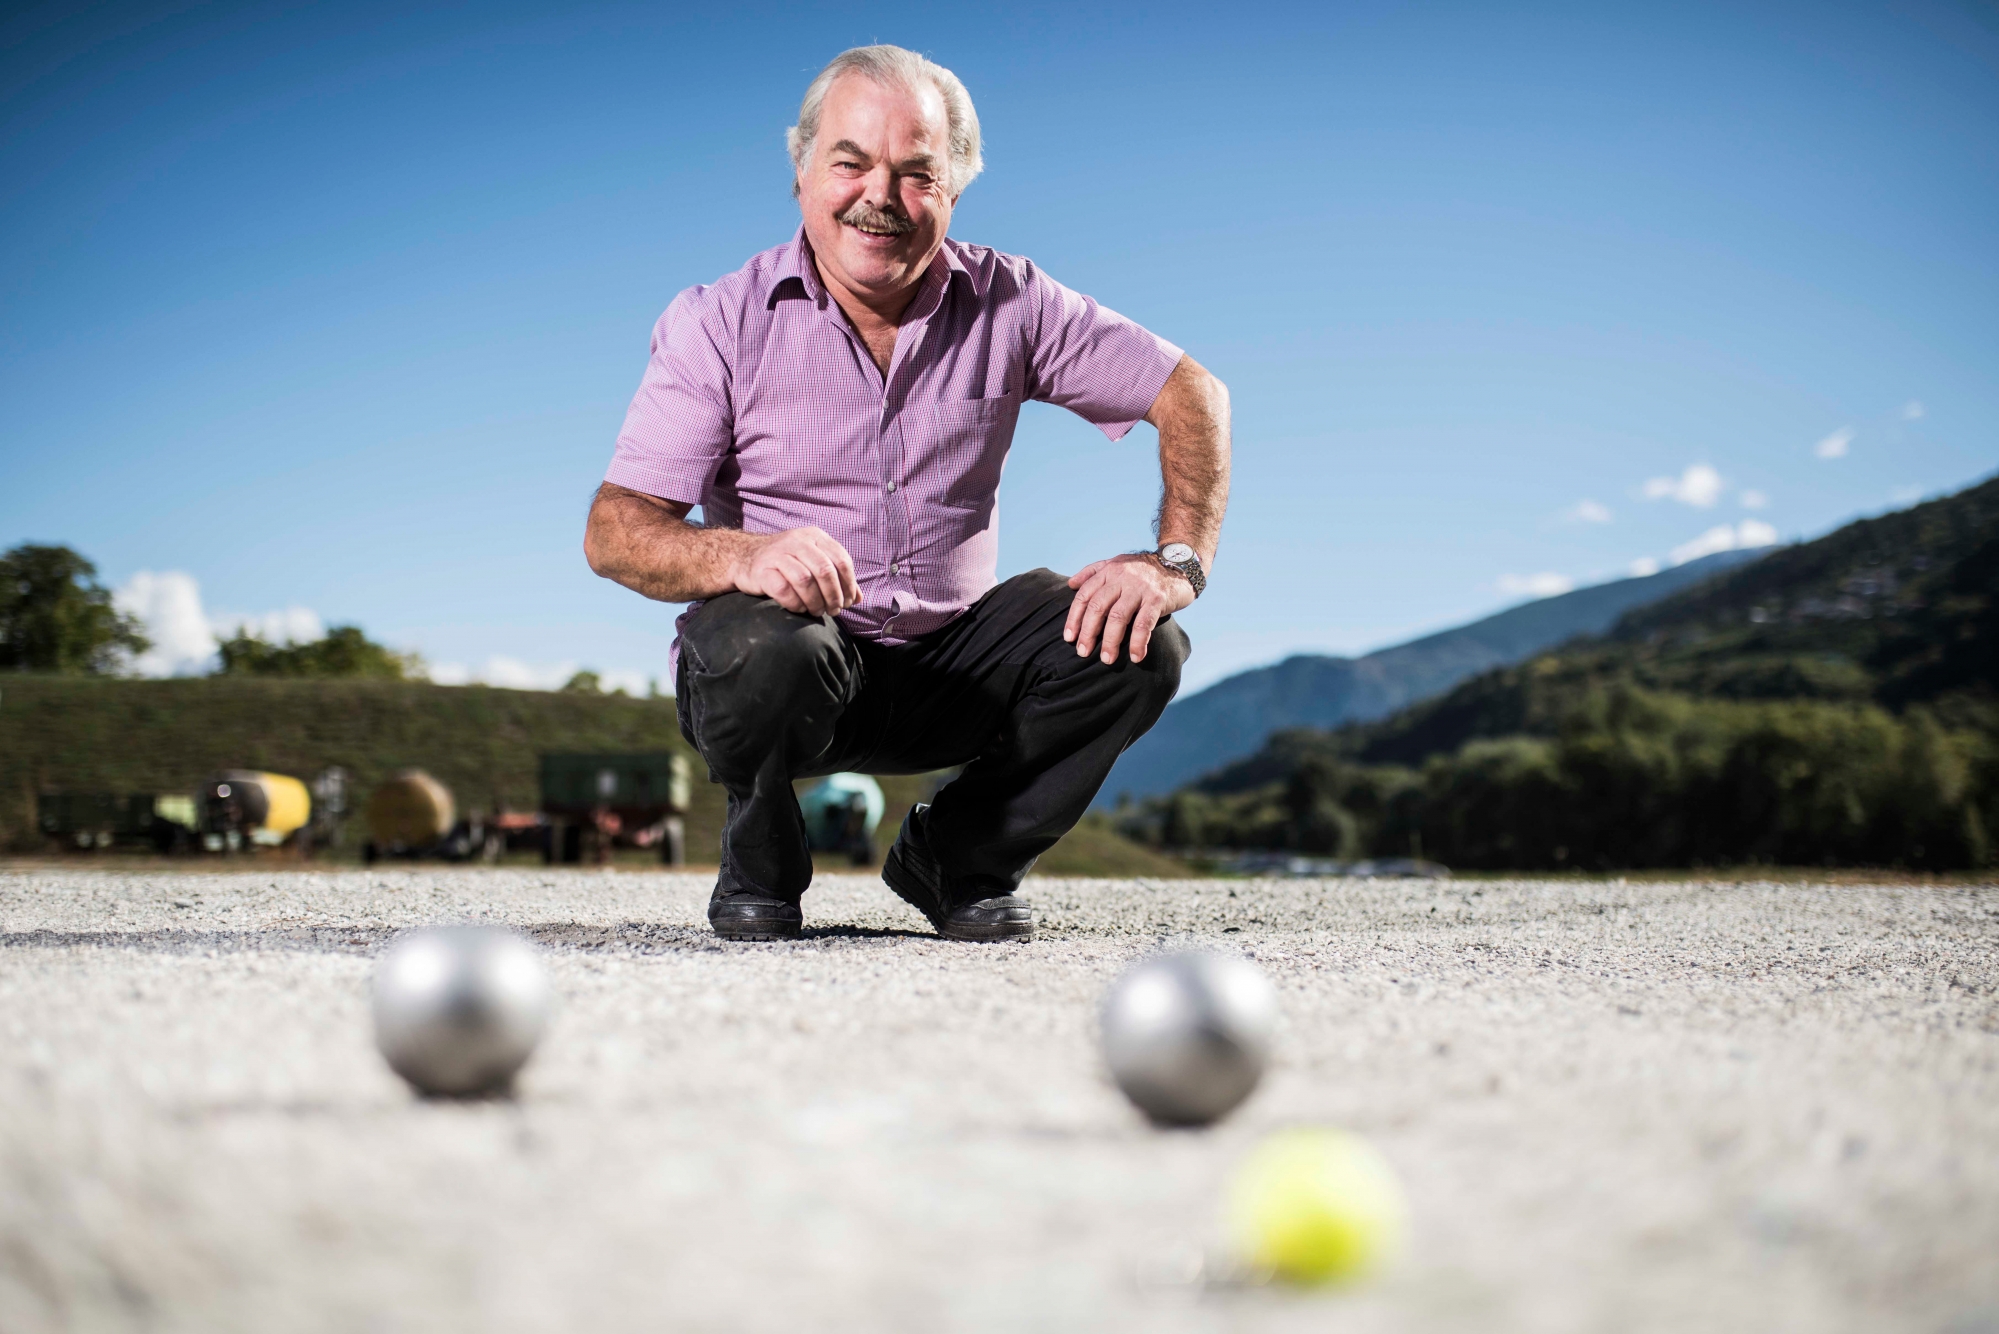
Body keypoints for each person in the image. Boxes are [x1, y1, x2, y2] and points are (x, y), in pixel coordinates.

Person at [584, 45, 1231, 943]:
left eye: (915, 173)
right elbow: (616, 531)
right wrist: (746, 554)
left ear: (955, 188)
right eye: (849, 162)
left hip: (954, 668)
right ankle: (760, 856)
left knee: (1141, 640)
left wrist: (1174, 562)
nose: (877, 195)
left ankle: (958, 856)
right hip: (793, 661)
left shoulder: (1014, 302)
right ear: (803, 169)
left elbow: (1191, 392)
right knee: (754, 640)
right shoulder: (719, 321)